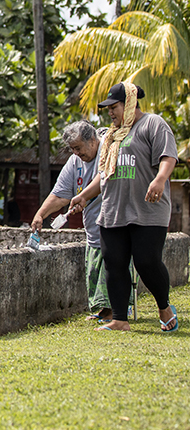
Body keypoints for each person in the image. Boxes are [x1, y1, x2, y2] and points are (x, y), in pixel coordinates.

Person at [70, 82, 179, 333]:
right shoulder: (110, 135)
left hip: (147, 209)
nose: (110, 112)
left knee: (147, 261)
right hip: (113, 209)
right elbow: (104, 173)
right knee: (114, 262)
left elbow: (168, 156)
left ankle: (164, 307)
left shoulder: (153, 124)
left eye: (114, 107)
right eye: (108, 108)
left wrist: (160, 179)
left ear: (129, 103)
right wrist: (84, 196)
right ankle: (119, 319)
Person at [30, 120, 115, 321]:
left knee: (111, 267)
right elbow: (60, 194)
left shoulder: (108, 151)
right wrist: (40, 214)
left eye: (78, 148)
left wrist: (83, 196)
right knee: (94, 268)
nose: (76, 153)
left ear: (93, 140)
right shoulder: (75, 161)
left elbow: (103, 178)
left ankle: (115, 312)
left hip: (114, 224)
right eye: (72, 149)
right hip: (93, 227)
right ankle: (103, 311)